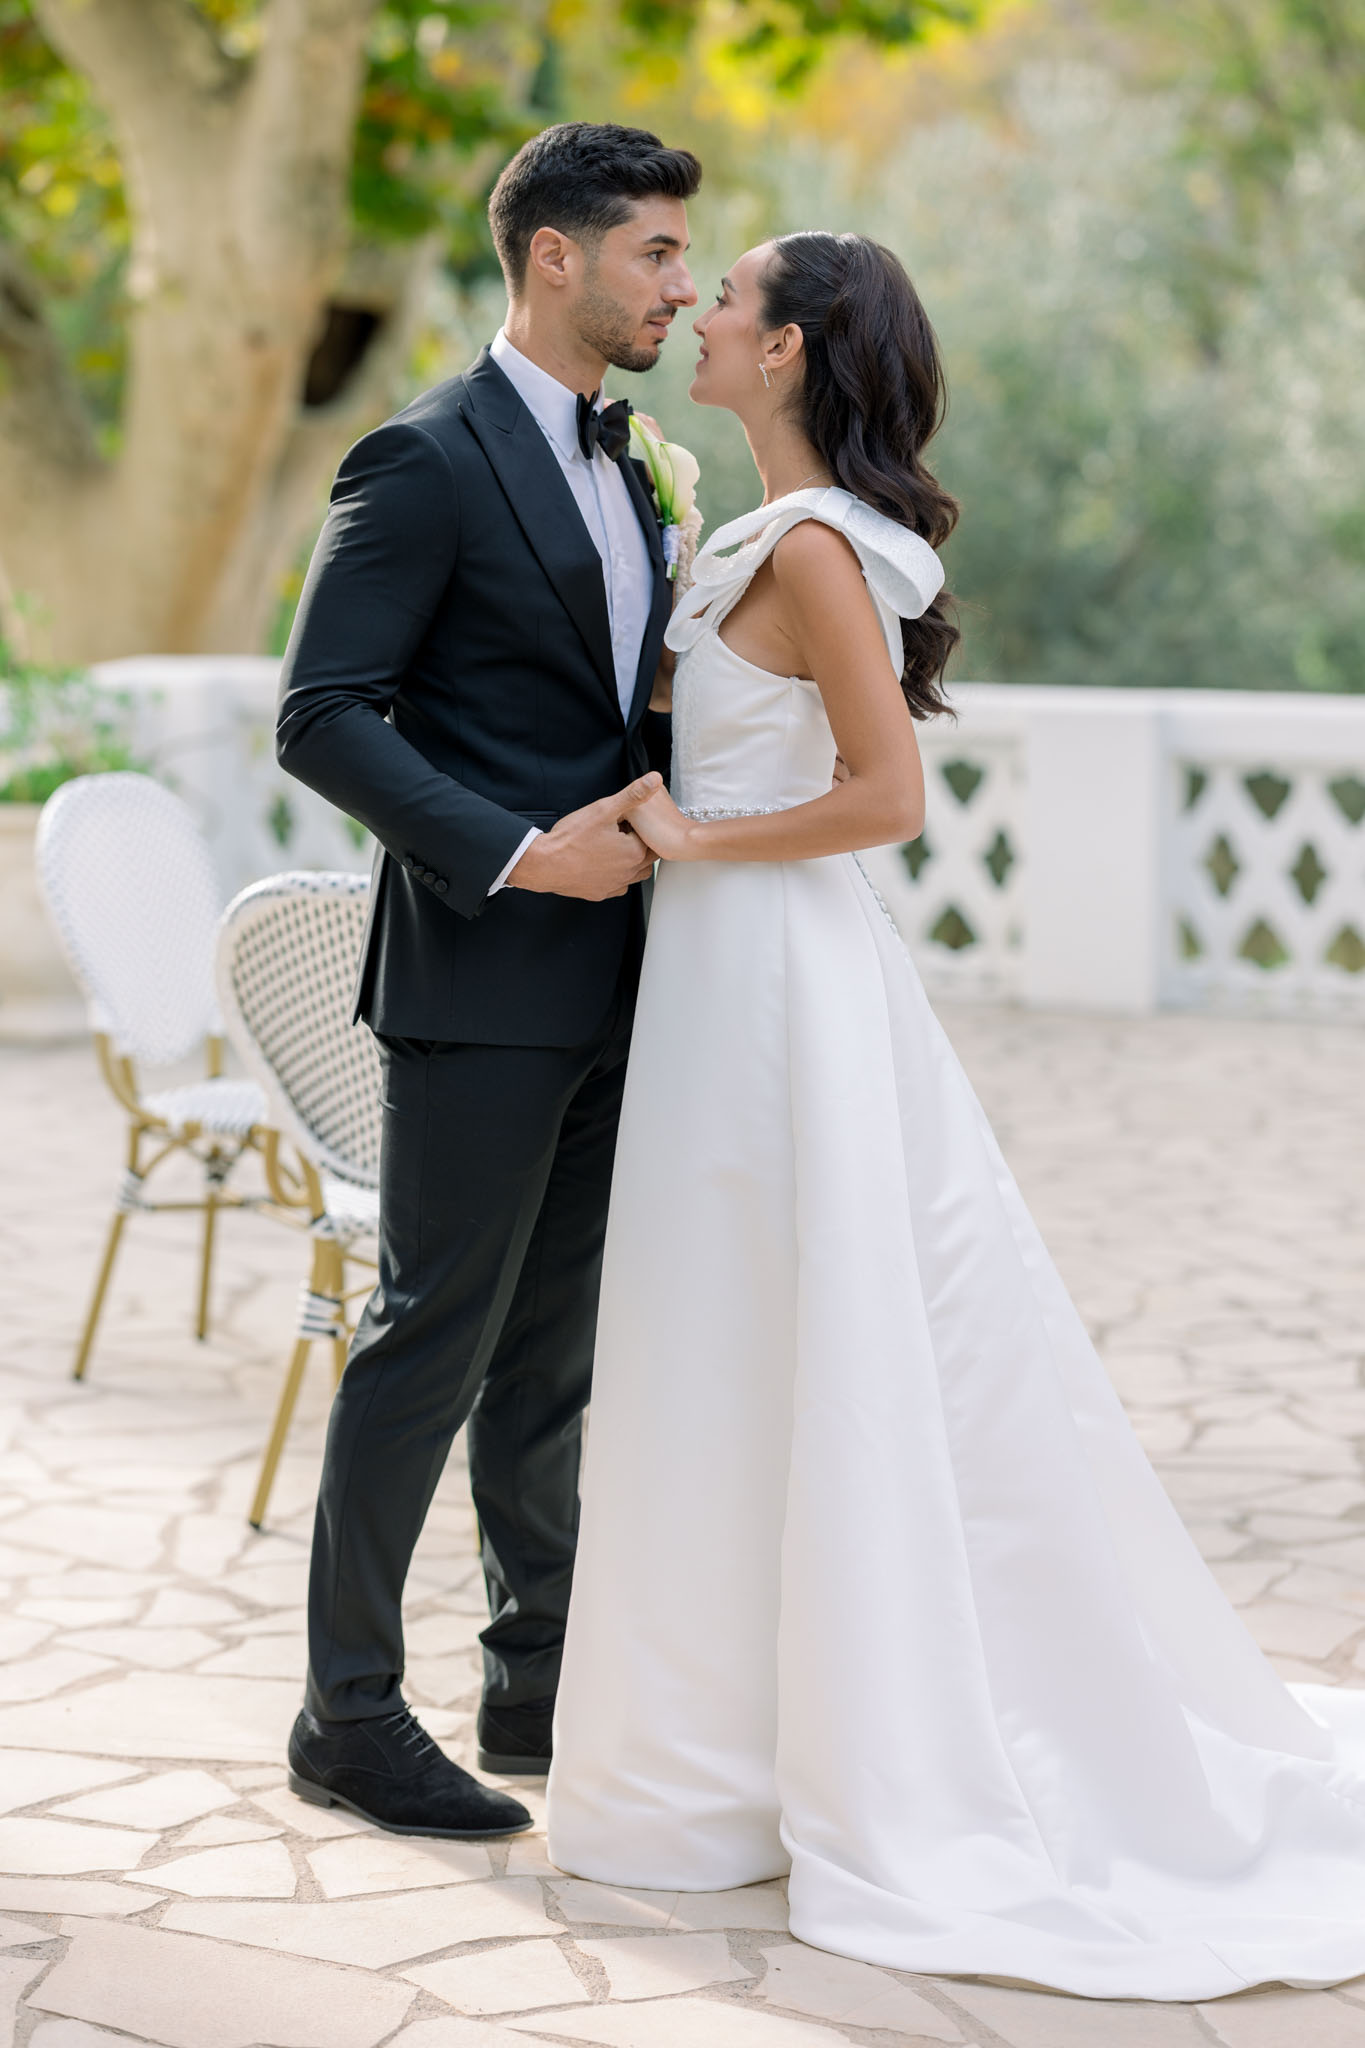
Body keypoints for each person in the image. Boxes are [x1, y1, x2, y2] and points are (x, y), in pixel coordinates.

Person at [545, 230, 1365, 1998]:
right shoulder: (745, 533)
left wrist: (690, 839)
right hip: (713, 984)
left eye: (732, 294)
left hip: (779, 984)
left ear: (788, 354)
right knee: (716, 1349)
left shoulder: (822, 549)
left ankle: (857, 1749)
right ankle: (712, 1762)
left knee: (807, 1329)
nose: (698, 308)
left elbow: (883, 795)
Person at [274, 122, 699, 1838]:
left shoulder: (634, 460)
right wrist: (523, 852)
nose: (681, 282)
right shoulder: (423, 455)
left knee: (552, 1357)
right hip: (475, 977)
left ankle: (534, 1684)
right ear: (554, 258)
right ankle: (347, 1717)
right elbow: (321, 716)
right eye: (657, 253)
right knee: (426, 1344)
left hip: (625, 978)